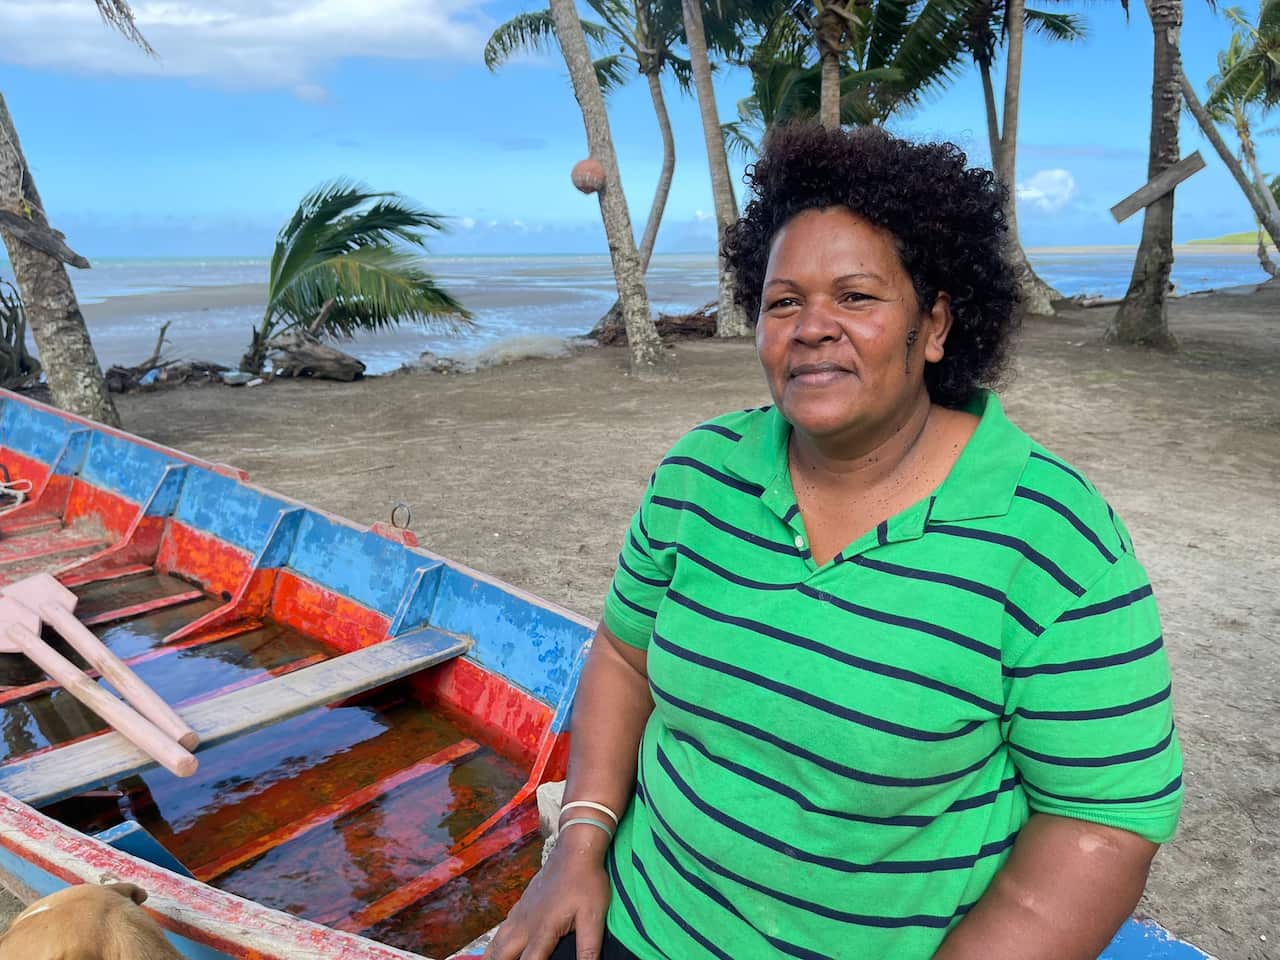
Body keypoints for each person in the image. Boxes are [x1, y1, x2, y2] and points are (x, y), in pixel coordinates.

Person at [485, 123, 1183, 960]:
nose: (812, 327)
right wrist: (579, 847)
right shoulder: (700, 475)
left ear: (934, 325)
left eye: (856, 297)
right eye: (784, 302)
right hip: (630, 926)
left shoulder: (1051, 537)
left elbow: (1099, 821)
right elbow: (625, 657)